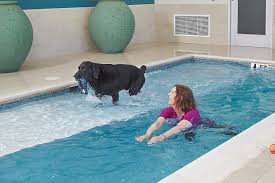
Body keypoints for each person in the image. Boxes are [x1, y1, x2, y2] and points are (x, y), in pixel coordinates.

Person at [136, 84, 202, 144]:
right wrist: (147, 134)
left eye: (172, 92)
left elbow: (179, 127)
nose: (168, 94)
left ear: (180, 98)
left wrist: (161, 137)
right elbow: (158, 123)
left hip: (199, 128)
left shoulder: (192, 113)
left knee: (190, 140)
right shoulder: (168, 110)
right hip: (182, 127)